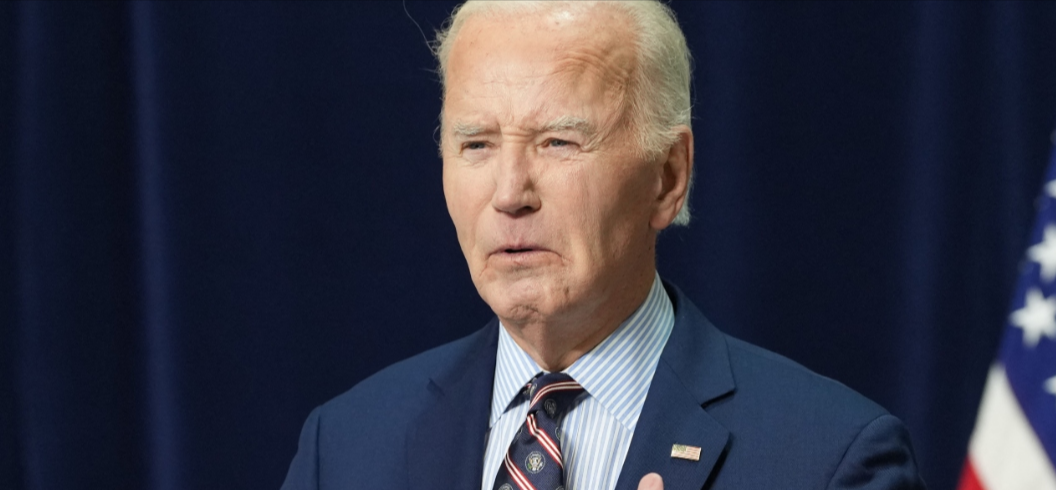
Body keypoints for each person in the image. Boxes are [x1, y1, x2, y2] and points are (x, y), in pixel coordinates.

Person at [281, 1, 927, 489]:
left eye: (558, 142)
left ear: (667, 177)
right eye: (477, 144)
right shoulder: (344, 449)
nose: (509, 193)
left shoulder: (831, 460)